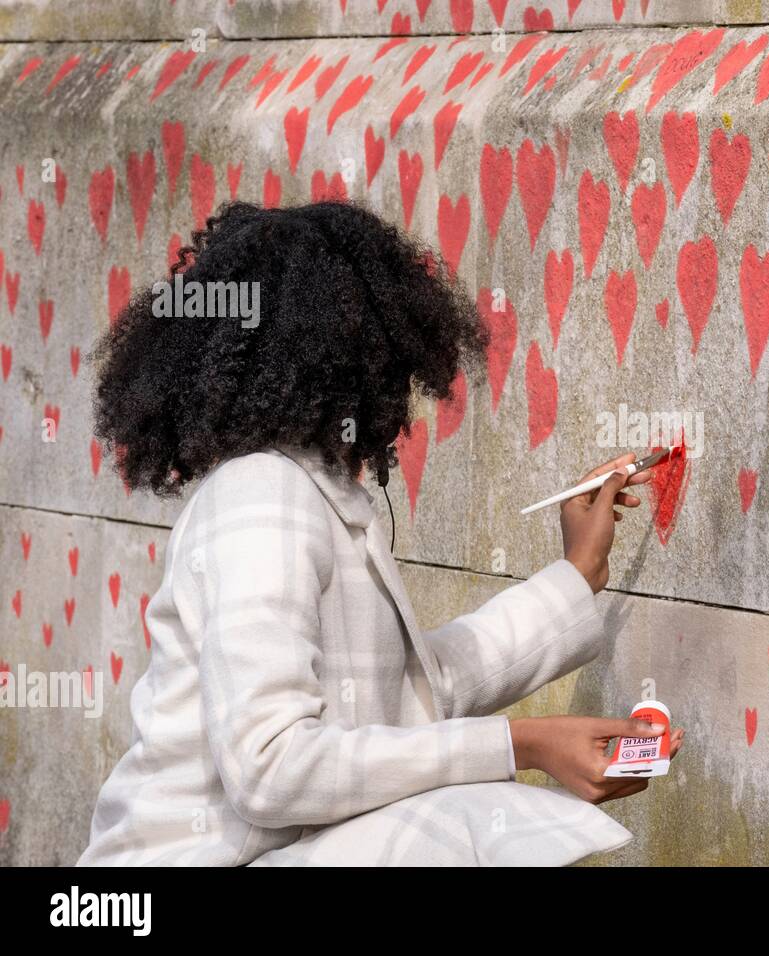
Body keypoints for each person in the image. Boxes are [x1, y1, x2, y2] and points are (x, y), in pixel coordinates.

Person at [78, 200, 683, 866]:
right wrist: (524, 746)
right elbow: (271, 767)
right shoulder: (260, 496)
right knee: (469, 817)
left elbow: (413, 691)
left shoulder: (312, 493)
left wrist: (575, 574)